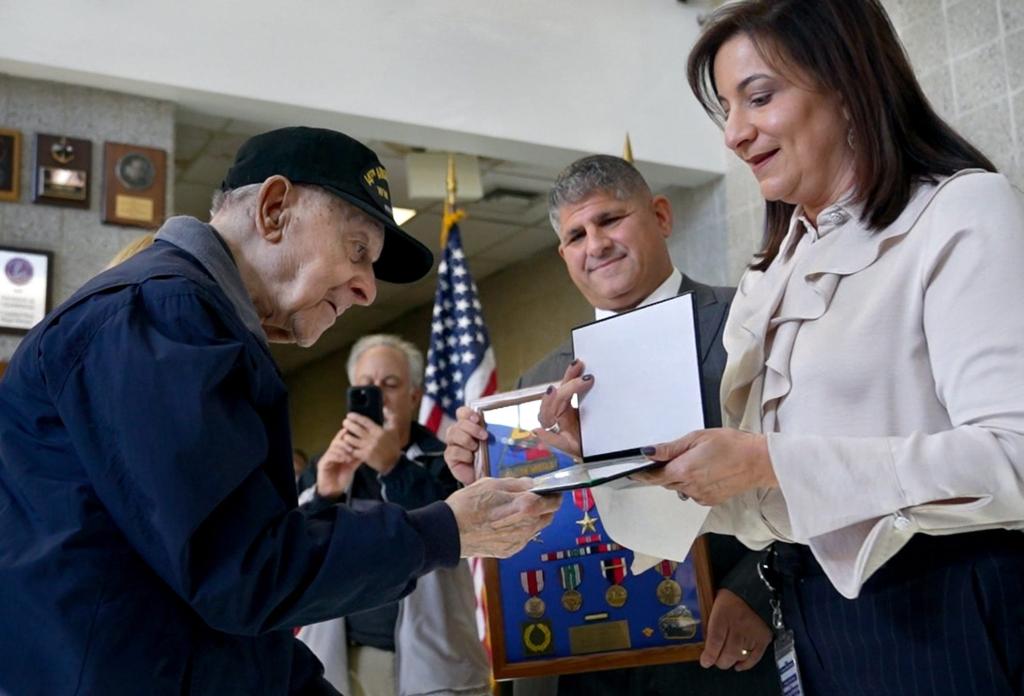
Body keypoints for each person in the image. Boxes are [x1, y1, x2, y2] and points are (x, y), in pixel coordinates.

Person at [541, 2, 1024, 693]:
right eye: (726, 112)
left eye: (759, 97)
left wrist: (768, 460)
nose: (736, 134)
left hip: (947, 605)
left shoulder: (960, 211)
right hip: (822, 618)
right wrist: (617, 460)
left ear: (849, 84)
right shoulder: (774, 272)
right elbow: (767, 500)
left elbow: (1012, 455)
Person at [0, 126, 559, 695]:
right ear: (272, 210)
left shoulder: (191, 321)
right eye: (358, 250)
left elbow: (225, 611)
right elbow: (241, 571)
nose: (368, 289)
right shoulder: (161, 315)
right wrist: (445, 529)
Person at [445, 155, 779, 695]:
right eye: (576, 234)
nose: (595, 244)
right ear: (563, 255)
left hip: (725, 647)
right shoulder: (541, 382)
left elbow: (799, 458)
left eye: (610, 220)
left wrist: (758, 591)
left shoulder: (748, 325)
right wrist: (478, 464)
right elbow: (527, 521)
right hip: (587, 663)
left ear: (661, 216)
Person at [297, 334, 489, 696]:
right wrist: (324, 493)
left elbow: (461, 530)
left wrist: (392, 465)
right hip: (342, 662)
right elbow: (298, 550)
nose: (378, 396)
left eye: (390, 384)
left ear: (415, 396)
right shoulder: (324, 466)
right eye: (365, 386)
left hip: (435, 666)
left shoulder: (448, 458)